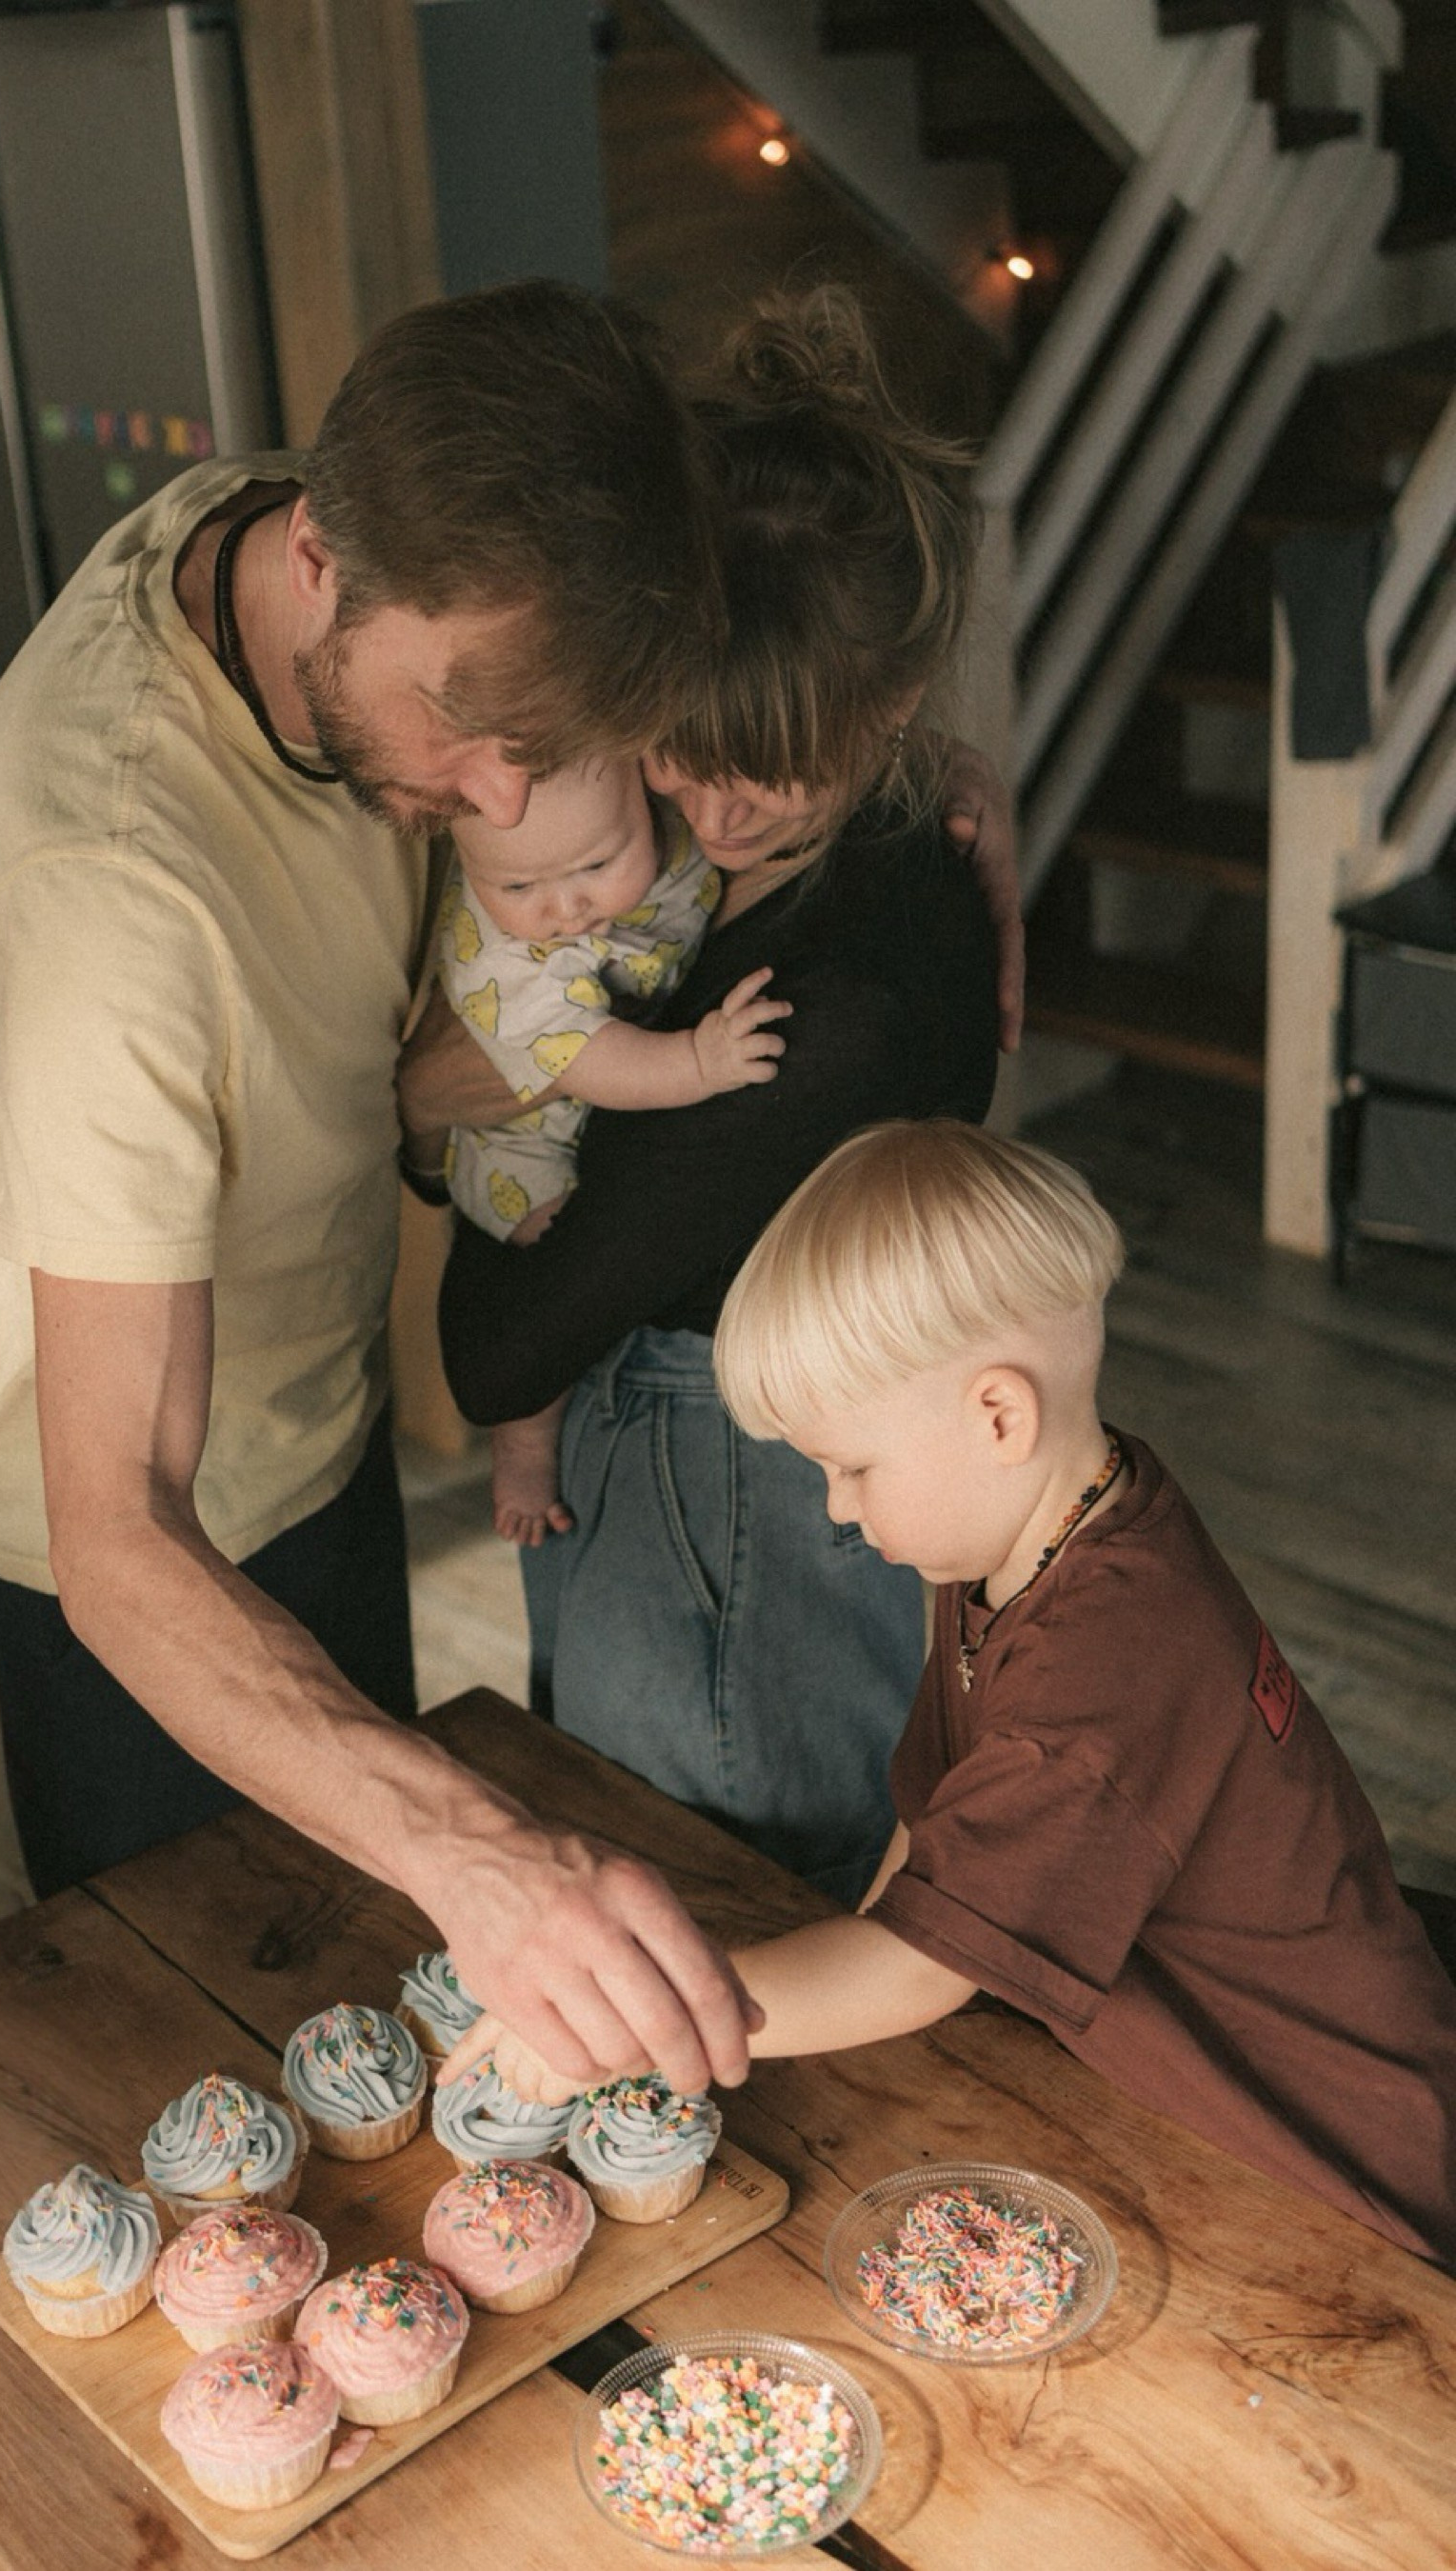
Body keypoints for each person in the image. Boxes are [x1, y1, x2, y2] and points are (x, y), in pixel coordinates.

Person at [0, 277, 767, 2100]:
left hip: (311, 1403)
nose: (503, 799)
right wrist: (474, 1847)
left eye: (542, 740)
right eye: (467, 732)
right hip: (131, 1547)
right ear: (316, 559)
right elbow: (117, 1530)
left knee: (381, 2032)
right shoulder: (104, 890)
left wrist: (937, 786)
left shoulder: (379, 542)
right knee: (201, 2069)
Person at [449, 1120, 1456, 2265]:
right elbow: (941, 1814)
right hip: (1198, 2084)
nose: (835, 1507)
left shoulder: (1105, 1680)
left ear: (997, 1417)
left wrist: (638, 2025)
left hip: (1337, 2158)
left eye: (852, 1467)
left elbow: (918, 1972)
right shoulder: (1036, 1529)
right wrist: (868, 1946)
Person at [414, 289, 998, 1903]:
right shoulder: (742, 863)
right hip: (724, 1483)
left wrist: (438, 1095)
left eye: (771, 764)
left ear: (890, 710)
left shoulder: (838, 1007)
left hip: (725, 1500)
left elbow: (495, 1347)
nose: (716, 807)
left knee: (719, 1903)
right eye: (683, 744)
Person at [435, 758, 788, 1543]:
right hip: (523, 1153)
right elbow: (600, 1065)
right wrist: (700, 1061)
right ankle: (524, 1443)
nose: (564, 907)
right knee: (552, 1293)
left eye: (596, 866)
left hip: (604, 1111)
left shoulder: (678, 822)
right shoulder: (503, 959)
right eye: (516, 886)